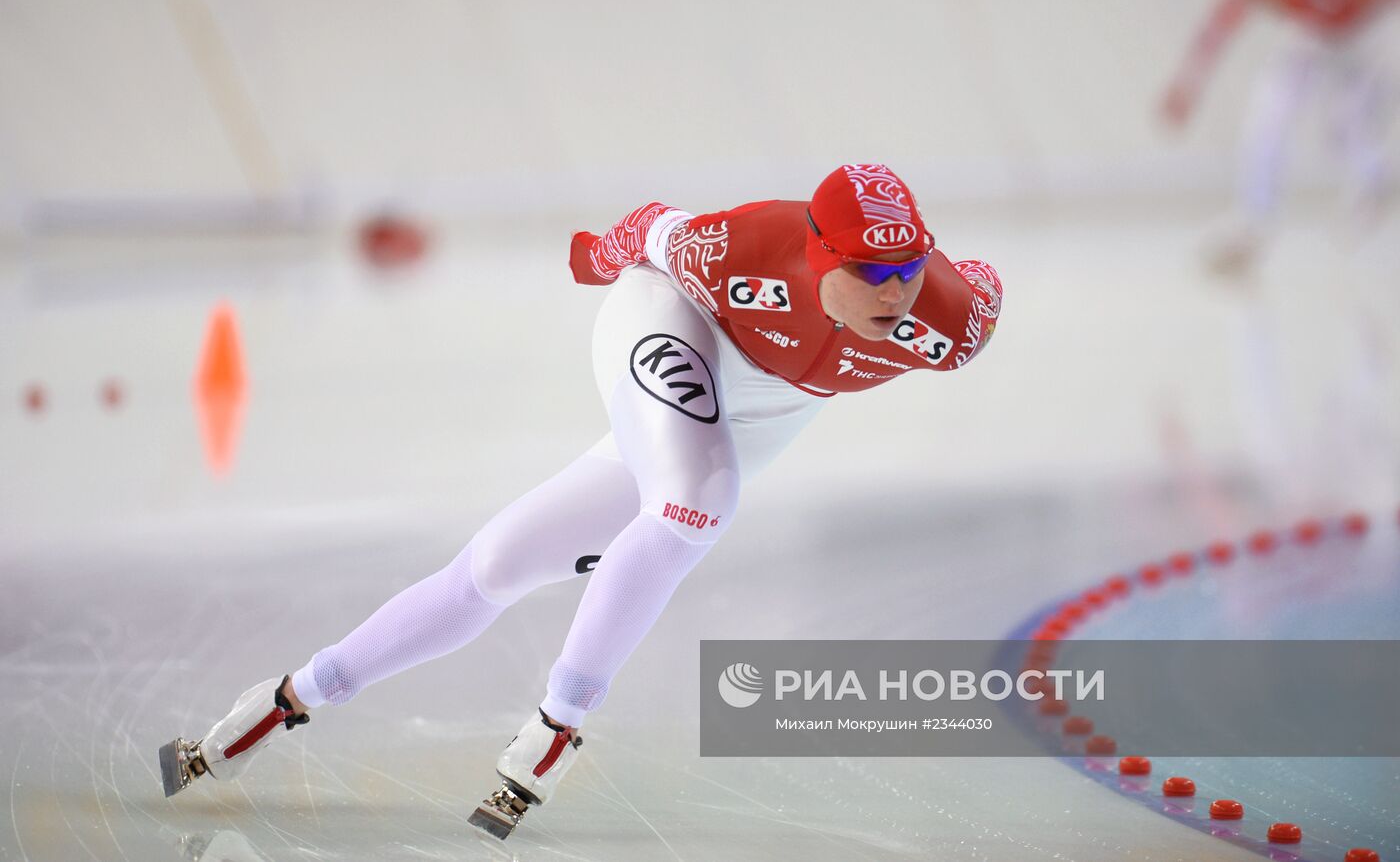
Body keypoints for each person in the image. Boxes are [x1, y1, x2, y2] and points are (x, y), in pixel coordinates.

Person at [158, 163, 1003, 838]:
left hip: (746, 412)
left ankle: (287, 698)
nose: (895, 290)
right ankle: (558, 726)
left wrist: (944, 276)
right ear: (820, 255)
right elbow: (645, 229)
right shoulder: (738, 247)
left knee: (495, 567)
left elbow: (979, 283)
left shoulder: (950, 322)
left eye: (907, 267)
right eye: (871, 270)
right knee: (696, 501)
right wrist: (588, 255)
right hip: (670, 323)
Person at [1160, 0, 1399, 276]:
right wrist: (1186, 85)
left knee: (1346, 126)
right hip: (1314, 37)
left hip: (1362, 37)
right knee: (1268, 115)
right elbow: (1216, 29)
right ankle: (1252, 223)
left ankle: (1371, 187)